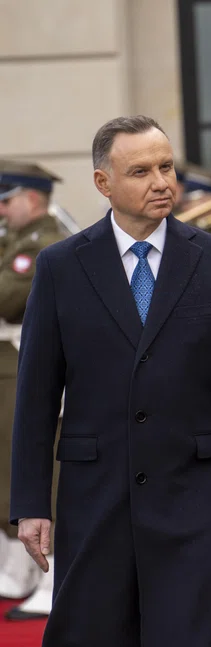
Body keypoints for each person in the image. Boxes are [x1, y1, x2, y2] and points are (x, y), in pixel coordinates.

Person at [9, 115, 211, 647]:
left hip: (192, 494)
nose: (161, 182)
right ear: (103, 183)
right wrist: (31, 503)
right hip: (94, 496)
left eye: (166, 166)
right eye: (141, 171)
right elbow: (34, 398)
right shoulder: (60, 267)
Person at [0, 161, 70, 617]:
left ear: (31, 198)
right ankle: (20, 565)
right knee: (7, 469)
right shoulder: (15, 241)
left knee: (42, 470)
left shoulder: (44, 242)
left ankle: (56, 572)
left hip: (27, 364)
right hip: (10, 365)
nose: (3, 211)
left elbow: (7, 296)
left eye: (7, 201)